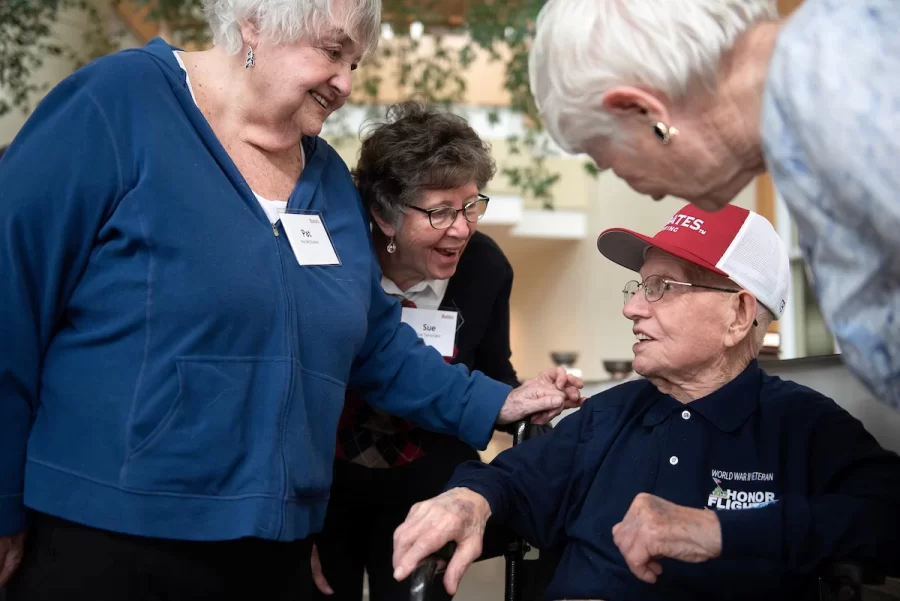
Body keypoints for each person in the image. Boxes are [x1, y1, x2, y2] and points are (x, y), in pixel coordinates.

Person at [0, 0, 583, 597]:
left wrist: (498, 402)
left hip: (273, 547)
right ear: (253, 22)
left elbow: (374, 340)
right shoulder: (116, 104)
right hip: (109, 532)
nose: (347, 84)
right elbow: (11, 303)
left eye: (355, 63)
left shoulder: (326, 177)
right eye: (333, 53)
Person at [391, 204, 900, 601]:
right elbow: (511, 481)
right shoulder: (606, 415)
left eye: (661, 287)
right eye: (640, 285)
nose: (631, 307)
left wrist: (720, 530)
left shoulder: (802, 426)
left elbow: (888, 516)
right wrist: (469, 500)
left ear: (738, 315)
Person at [527, 0, 900, 411]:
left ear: (643, 111)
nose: (643, 190)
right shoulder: (814, 118)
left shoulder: (856, 94)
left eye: (609, 159)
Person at [310, 102, 520, 601]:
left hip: (422, 489)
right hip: (327, 488)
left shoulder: (485, 269)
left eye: (471, 206)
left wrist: (532, 395)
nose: (462, 228)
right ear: (384, 214)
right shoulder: (335, 261)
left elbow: (493, 369)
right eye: (440, 211)